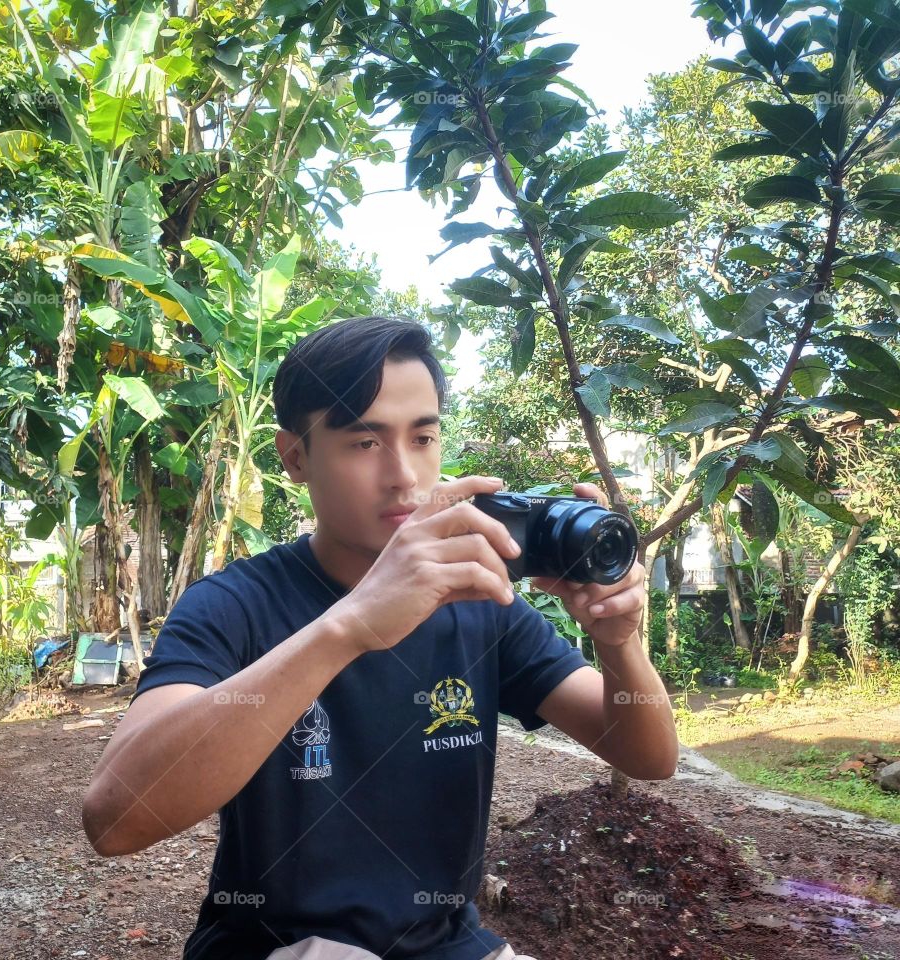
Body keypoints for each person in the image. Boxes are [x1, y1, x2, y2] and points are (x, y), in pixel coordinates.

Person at [82, 315, 678, 960]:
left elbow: (648, 757)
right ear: (295, 458)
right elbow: (116, 820)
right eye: (365, 443)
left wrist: (620, 645)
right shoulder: (234, 606)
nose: (404, 476)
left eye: (422, 438)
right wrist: (348, 627)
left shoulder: (480, 601)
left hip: (449, 943)